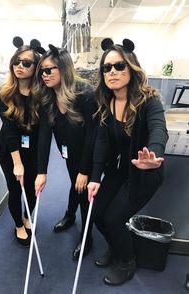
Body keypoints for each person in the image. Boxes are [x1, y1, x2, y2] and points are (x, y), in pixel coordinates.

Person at [87, 38, 168, 286]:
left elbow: (158, 129)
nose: (112, 72)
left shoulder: (148, 100)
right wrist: (94, 178)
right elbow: (101, 144)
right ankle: (116, 244)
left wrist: (152, 155)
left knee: (113, 219)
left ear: (131, 68)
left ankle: (126, 260)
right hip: (119, 171)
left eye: (119, 66)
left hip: (144, 173)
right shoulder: (107, 102)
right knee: (97, 214)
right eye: (106, 68)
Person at [34, 44, 96, 260]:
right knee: (74, 182)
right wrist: (42, 171)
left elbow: (92, 135)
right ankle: (70, 215)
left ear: (64, 68)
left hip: (89, 152)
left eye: (49, 69)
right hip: (68, 151)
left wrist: (86, 170)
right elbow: (44, 134)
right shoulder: (48, 96)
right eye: (42, 70)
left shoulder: (85, 94)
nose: (44, 75)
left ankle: (87, 238)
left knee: (84, 190)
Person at [0, 36, 41, 247]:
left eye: (26, 63)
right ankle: (18, 224)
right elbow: (9, 129)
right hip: (10, 150)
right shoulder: (4, 93)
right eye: (16, 61)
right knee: (15, 189)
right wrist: (17, 163)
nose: (20, 66)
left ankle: (26, 216)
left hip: (32, 150)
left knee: (32, 189)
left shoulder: (42, 94)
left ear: (36, 67)